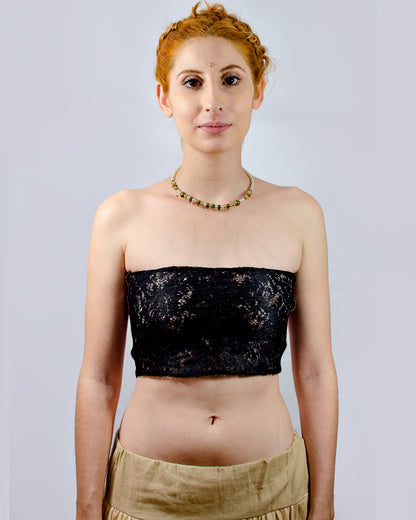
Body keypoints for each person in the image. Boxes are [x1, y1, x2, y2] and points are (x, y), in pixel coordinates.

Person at [75, 2, 338, 519]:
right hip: (146, 497)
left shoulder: (299, 214)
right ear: (164, 97)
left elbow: (315, 372)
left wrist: (324, 503)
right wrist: (86, 507)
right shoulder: (122, 216)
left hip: (272, 493)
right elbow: (98, 378)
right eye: (192, 82)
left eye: (231, 80)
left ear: (257, 91)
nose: (212, 101)